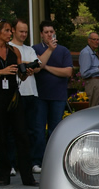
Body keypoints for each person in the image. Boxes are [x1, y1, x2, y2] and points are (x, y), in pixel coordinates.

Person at [0, 18, 38, 187]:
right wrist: (0, 72)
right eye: (7, 30)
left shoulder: (14, 51)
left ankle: (27, 176)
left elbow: (20, 74)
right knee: (1, 136)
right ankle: (3, 174)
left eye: (11, 30)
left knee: (22, 135)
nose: (10, 33)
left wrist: (25, 72)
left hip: (13, 95)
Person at [32, 21, 73, 173]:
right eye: (46, 32)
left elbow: (68, 72)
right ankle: (37, 161)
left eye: (51, 31)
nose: (49, 34)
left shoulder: (63, 51)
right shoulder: (35, 49)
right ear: (41, 34)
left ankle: (54, 161)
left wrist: (46, 67)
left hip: (58, 96)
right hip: (40, 96)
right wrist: (43, 64)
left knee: (55, 131)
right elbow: (36, 67)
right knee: (39, 130)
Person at [9, 18, 42, 175]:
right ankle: (12, 164)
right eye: (21, 31)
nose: (24, 34)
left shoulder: (29, 49)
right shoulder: (9, 48)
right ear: (13, 30)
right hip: (18, 94)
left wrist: (27, 65)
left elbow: (38, 67)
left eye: (26, 32)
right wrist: (29, 64)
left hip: (32, 93)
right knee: (16, 131)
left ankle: (31, 163)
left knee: (32, 131)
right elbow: (17, 65)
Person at [79, 32, 99, 107]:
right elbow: (84, 73)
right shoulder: (86, 53)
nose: (97, 42)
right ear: (89, 40)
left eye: (98, 40)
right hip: (93, 83)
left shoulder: (92, 52)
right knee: (95, 109)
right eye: (94, 39)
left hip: (97, 83)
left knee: (98, 108)